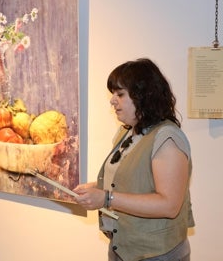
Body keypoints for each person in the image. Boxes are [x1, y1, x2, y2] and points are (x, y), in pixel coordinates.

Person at [74, 58, 194, 261]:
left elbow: (169, 205)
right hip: (123, 249)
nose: (112, 100)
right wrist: (94, 189)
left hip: (157, 255)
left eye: (120, 94)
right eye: (113, 94)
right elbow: (131, 184)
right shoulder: (127, 133)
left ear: (143, 97)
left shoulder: (167, 139)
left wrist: (105, 198)